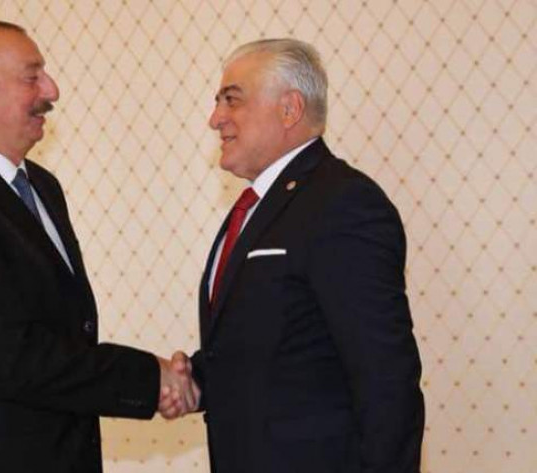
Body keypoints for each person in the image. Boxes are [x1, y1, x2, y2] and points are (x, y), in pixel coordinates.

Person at [0, 20, 196, 473]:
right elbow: (12, 357)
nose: (51, 90)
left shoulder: (42, 185)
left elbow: (61, 330)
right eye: (31, 77)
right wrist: (149, 378)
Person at [169, 39, 425, 472]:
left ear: (289, 109)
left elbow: (385, 378)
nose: (215, 119)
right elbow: (282, 350)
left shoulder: (342, 203)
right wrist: (192, 379)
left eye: (232, 99)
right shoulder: (255, 208)